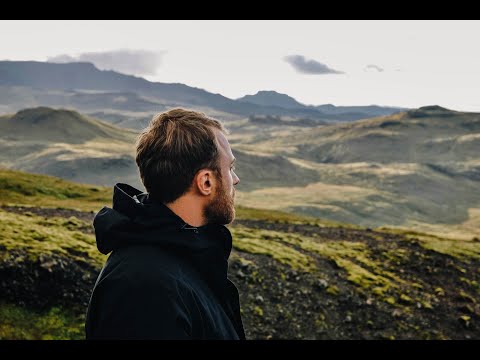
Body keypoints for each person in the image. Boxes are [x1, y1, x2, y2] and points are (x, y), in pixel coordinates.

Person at [85, 108, 245, 340]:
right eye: (229, 168)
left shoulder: (185, 257)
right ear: (206, 181)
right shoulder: (144, 289)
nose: (236, 179)